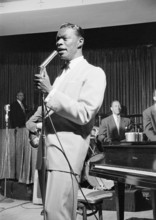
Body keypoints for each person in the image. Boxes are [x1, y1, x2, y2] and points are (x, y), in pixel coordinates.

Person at [26, 23, 106, 220]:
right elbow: (54, 114)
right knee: (49, 214)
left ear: (80, 42)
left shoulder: (93, 72)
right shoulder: (61, 74)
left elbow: (85, 113)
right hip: (47, 155)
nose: (59, 42)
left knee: (58, 214)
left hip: (66, 156)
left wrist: (50, 91)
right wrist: (37, 131)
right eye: (57, 39)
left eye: (64, 38)